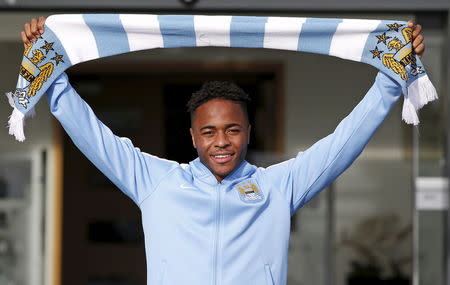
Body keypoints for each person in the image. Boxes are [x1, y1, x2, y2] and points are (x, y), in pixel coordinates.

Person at [22, 17, 425, 285]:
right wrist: (49, 65)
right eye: (209, 131)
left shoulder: (278, 186)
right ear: (193, 137)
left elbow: (343, 143)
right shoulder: (156, 181)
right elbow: (92, 136)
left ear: (248, 133)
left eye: (232, 129)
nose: (221, 142)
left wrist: (391, 80)